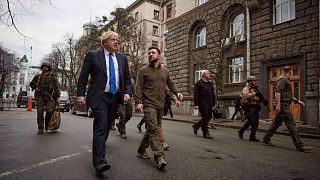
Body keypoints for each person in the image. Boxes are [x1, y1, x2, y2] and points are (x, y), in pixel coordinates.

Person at [76, 31, 132, 175]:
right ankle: (100, 161)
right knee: (101, 126)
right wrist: (80, 94)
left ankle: (99, 147)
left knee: (106, 127)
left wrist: (127, 92)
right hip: (99, 97)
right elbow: (83, 77)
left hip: (115, 98)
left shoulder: (122, 58)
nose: (116, 42)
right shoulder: (93, 55)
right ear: (104, 42)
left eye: (117, 40)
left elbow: (126, 79)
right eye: (113, 39)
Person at [135, 47, 183, 171]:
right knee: (154, 130)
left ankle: (141, 149)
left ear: (159, 55)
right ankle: (160, 157)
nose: (150, 54)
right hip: (148, 104)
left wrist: (177, 93)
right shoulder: (143, 70)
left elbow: (170, 83)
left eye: (153, 53)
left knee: (152, 130)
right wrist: (138, 102)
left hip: (160, 105)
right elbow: (138, 87)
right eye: (149, 53)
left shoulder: (165, 71)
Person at [262, 66, 312, 152]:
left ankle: (266, 138)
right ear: (290, 72)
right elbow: (277, 92)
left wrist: (299, 101)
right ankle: (299, 145)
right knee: (291, 124)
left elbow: (288, 95)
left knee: (276, 124)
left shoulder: (284, 80)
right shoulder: (283, 79)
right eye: (291, 72)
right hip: (283, 106)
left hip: (283, 105)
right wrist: (278, 105)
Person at [30, 61, 60, 134]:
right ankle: (40, 128)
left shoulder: (53, 78)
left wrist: (58, 97)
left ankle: (47, 124)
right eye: (43, 66)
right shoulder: (38, 76)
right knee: (40, 112)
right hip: (40, 96)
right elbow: (31, 84)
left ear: (49, 68)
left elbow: (56, 88)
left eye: (46, 67)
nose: (45, 68)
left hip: (50, 96)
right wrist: (35, 88)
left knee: (50, 111)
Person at [237, 76, 263, 142]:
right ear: (250, 81)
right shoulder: (246, 88)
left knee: (256, 122)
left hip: (255, 106)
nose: (255, 82)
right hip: (249, 107)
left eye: (255, 80)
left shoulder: (255, 88)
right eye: (254, 80)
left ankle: (252, 136)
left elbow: (258, 96)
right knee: (251, 121)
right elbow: (246, 96)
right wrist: (254, 93)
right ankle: (241, 130)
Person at [192, 70, 216, 139]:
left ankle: (196, 125)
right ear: (203, 75)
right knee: (205, 117)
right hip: (202, 103)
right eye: (208, 73)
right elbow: (196, 95)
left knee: (209, 117)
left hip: (210, 103)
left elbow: (213, 94)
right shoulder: (198, 83)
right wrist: (196, 104)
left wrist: (214, 104)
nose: (209, 74)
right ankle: (205, 132)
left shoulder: (210, 84)